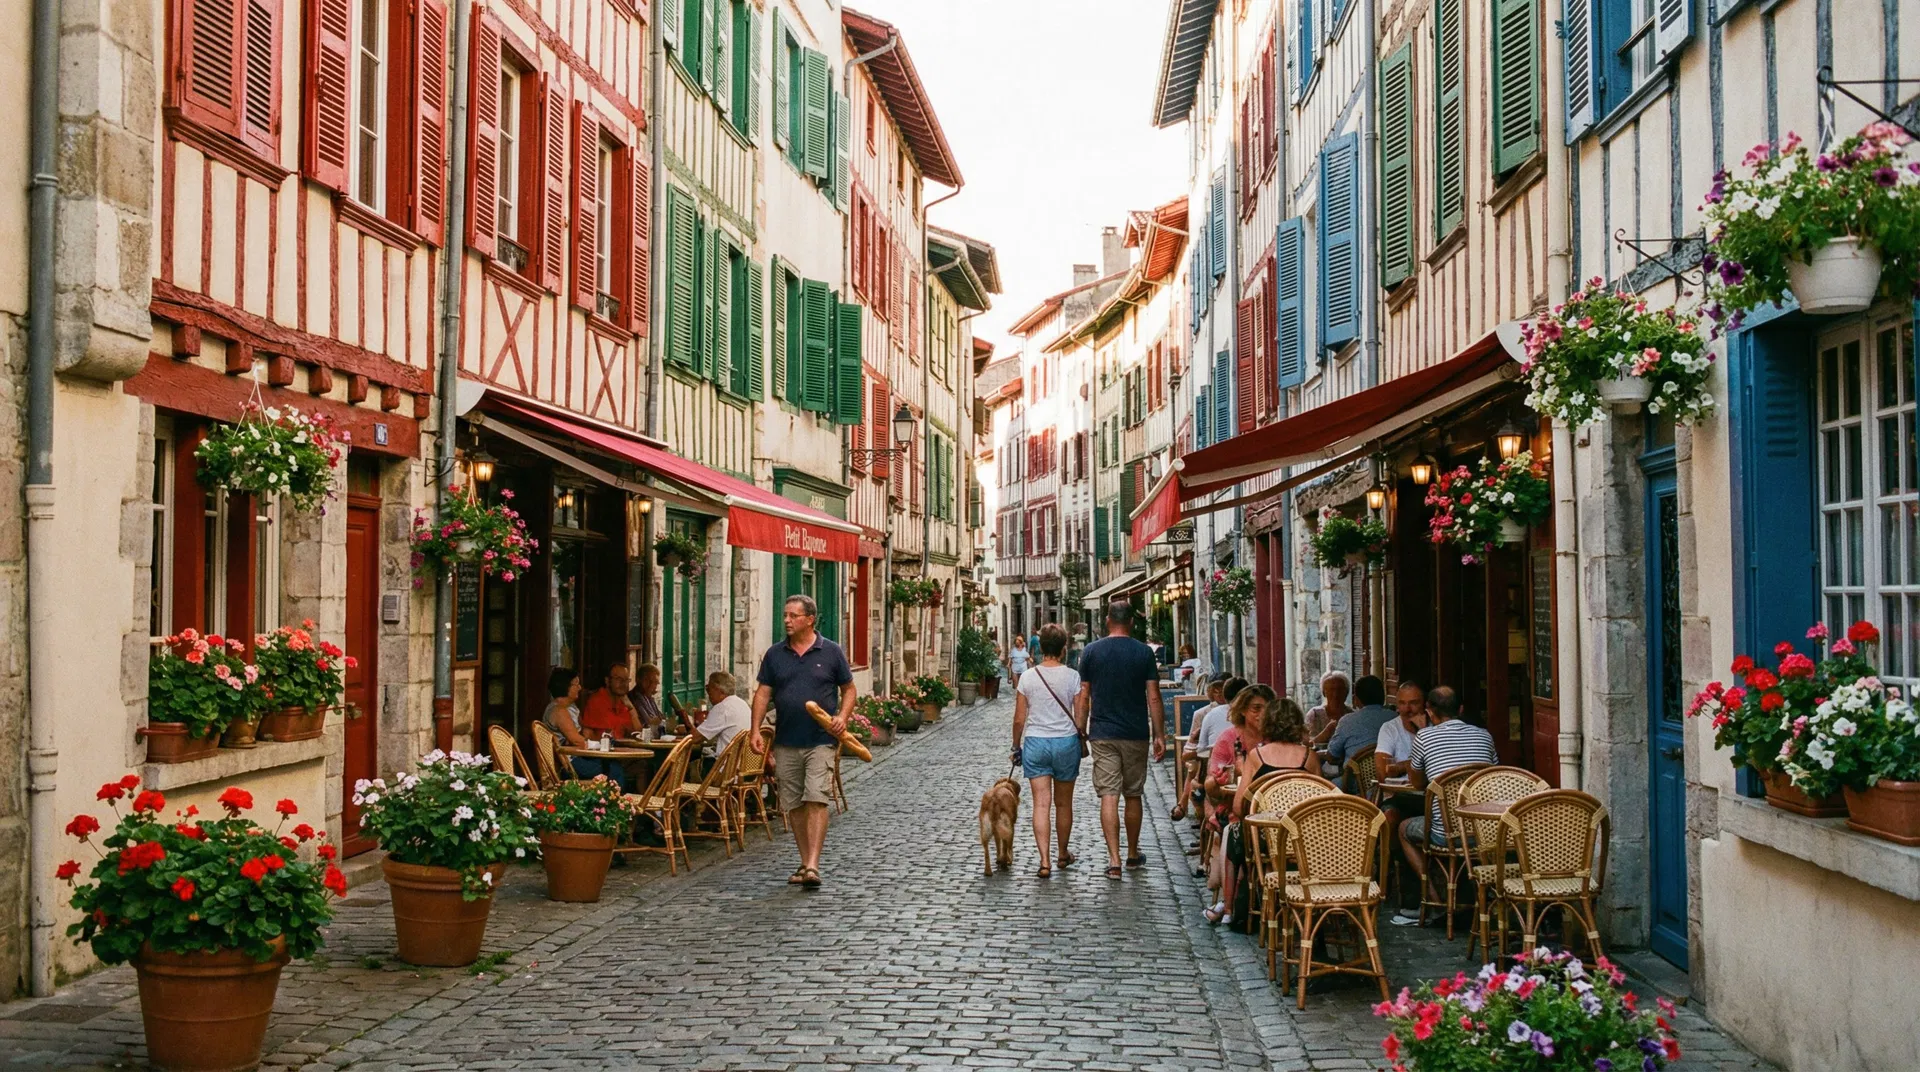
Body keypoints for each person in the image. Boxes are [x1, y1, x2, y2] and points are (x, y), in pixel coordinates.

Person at [750, 595, 855, 890]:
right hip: (786, 739)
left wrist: (842, 717)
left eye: (793, 615)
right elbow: (762, 693)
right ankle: (804, 859)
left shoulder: (831, 652)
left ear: (810, 619)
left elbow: (849, 689)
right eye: (785, 615)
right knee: (794, 804)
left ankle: (813, 864)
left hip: (821, 739)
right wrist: (755, 729)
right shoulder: (775, 654)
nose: (786, 620)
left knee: (816, 797)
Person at [1074, 599, 1167, 878]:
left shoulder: (1091, 652)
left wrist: (1081, 731)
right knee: (1134, 793)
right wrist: (1160, 734)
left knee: (1109, 795)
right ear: (1132, 622)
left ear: (1106, 621)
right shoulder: (1144, 653)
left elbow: (1084, 695)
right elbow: (1153, 696)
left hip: (1103, 733)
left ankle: (1113, 860)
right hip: (1136, 732)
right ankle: (1132, 853)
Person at [1394, 686, 1498, 924]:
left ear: (1429, 712)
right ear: (1460, 710)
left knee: (1403, 829)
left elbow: (1418, 783)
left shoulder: (1425, 737)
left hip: (1446, 833)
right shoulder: (1484, 735)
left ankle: (1435, 901)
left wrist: (1423, 732)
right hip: (1484, 832)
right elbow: (1493, 778)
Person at [1010, 623, 1083, 876]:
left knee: (1041, 804)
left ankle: (1044, 861)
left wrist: (1015, 745)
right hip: (1065, 741)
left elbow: (1019, 718)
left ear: (1040, 649)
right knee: (1064, 804)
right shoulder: (1073, 677)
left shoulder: (1028, 677)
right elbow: (1081, 716)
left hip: (1037, 742)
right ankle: (1062, 853)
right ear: (1064, 649)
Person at [1322, 675, 1397, 780]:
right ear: (1383, 697)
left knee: (1328, 787)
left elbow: (1331, 756)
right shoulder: (1396, 718)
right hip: (1388, 780)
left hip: (1354, 783)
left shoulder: (1347, 721)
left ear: (1356, 699)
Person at [689, 671, 750, 755]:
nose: (708, 693)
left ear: (718, 689)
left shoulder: (722, 708)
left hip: (727, 765)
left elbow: (695, 738)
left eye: (708, 688)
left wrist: (685, 718)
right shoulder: (742, 704)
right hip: (743, 763)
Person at [581, 663, 645, 739]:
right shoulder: (597, 700)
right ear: (607, 681)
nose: (623, 683)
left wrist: (631, 709)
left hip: (623, 748)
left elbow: (638, 733)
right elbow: (589, 734)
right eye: (618, 679)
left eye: (626, 680)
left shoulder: (624, 702)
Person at [632, 664, 669, 731]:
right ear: (638, 680)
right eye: (647, 680)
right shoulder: (634, 698)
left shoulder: (649, 697)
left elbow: (661, 718)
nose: (651, 685)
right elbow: (648, 724)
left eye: (655, 682)